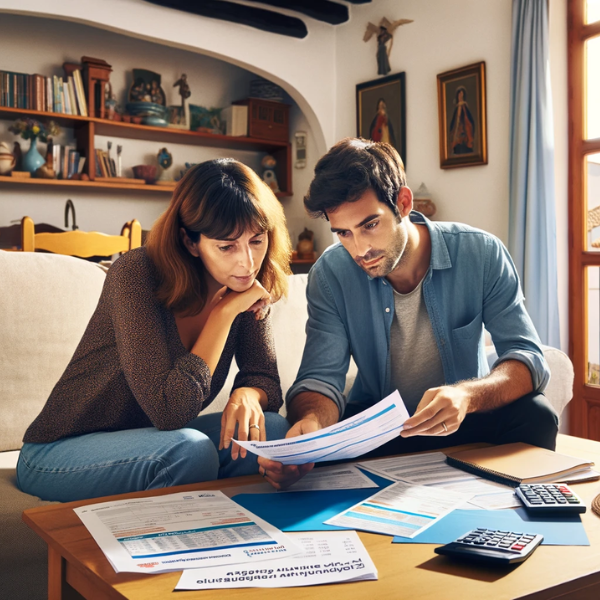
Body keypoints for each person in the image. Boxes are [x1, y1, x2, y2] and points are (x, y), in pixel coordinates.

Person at [258, 138, 558, 490]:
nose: (360, 249)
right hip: (382, 430)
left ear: (402, 203)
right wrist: (312, 424)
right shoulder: (332, 274)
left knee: (537, 414)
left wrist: (467, 396)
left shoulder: (482, 253)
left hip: (465, 421)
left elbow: (528, 358)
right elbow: (320, 379)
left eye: (370, 225)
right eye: (343, 233)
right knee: (317, 446)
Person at [17, 159, 292, 502]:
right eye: (227, 246)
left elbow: (266, 381)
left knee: (273, 433)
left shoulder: (248, 282)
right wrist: (222, 314)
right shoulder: (136, 274)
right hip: (58, 452)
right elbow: (168, 411)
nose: (248, 262)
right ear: (191, 242)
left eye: (257, 241)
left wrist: (248, 395)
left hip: (152, 439)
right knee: (189, 451)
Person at [449, 86, 475, 155]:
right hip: (457, 135)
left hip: (465, 134)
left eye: (462, 94)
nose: (460, 96)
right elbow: (453, 123)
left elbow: (470, 121)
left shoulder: (465, 107)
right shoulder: (457, 108)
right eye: (459, 94)